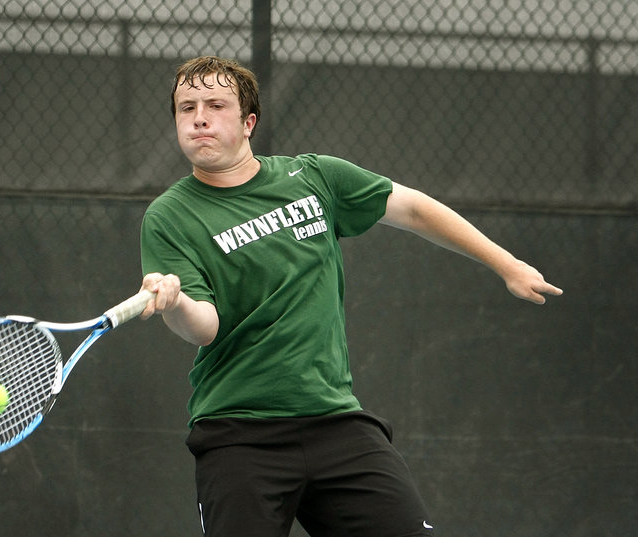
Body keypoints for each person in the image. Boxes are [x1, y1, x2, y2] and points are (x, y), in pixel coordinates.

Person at [137, 56, 562, 537]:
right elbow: (205, 326)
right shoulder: (169, 216)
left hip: (336, 423)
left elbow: (415, 210)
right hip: (239, 433)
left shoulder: (315, 178)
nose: (199, 117)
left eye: (215, 104)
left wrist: (507, 264)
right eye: (186, 107)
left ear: (248, 121)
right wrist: (176, 304)